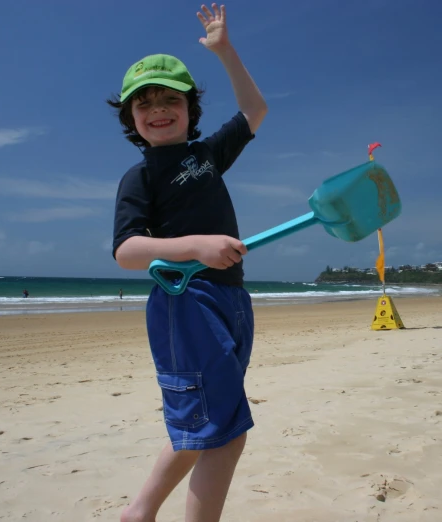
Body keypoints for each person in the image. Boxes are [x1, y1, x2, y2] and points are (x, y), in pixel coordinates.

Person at [108, 4, 268, 521]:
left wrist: (225, 51)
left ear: (188, 109)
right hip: (187, 303)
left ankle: (139, 512)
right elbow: (127, 251)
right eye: (145, 103)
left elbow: (254, 111)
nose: (158, 109)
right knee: (224, 434)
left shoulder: (205, 155)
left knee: (206, 423)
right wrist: (196, 246)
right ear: (131, 118)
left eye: (170, 99)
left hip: (231, 298)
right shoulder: (141, 176)